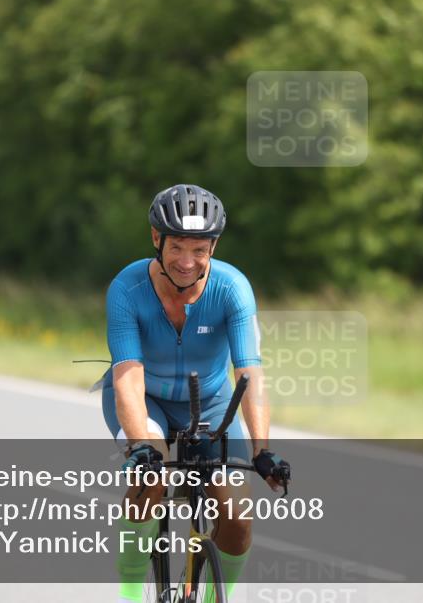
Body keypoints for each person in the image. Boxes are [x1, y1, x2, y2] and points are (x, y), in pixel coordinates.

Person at [100, 183, 289, 602]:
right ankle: (130, 593)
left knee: (237, 518)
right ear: (156, 239)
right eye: (178, 247)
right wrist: (141, 446)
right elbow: (128, 376)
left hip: (212, 405)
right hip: (146, 399)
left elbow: (250, 372)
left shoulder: (232, 288)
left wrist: (262, 449)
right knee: (150, 475)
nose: (187, 262)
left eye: (199, 250)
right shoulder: (126, 289)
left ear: (214, 246)